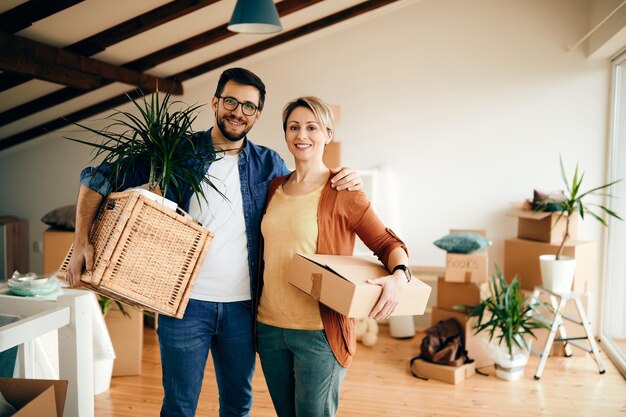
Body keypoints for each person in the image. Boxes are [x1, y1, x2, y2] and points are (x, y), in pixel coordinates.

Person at [66, 68, 362, 417]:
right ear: (215, 102)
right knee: (178, 406)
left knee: (237, 405)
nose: (238, 111)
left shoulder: (269, 164)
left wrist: (343, 176)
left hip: (245, 308)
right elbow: (97, 176)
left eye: (249, 106)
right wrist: (82, 240)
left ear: (258, 114)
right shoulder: (176, 153)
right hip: (184, 305)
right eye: (231, 101)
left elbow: (306, 186)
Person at [255, 96, 411, 417]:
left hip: (319, 332)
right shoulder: (272, 189)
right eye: (294, 127)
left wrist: (399, 276)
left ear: (328, 134)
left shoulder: (344, 190)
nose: (302, 135)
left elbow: (385, 243)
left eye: (312, 127)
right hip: (270, 327)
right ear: (285, 133)